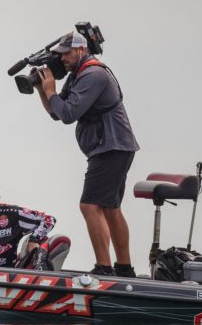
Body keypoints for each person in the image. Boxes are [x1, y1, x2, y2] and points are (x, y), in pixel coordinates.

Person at [34, 30, 139, 277]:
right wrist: (42, 88)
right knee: (111, 208)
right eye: (60, 55)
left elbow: (69, 114)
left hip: (111, 147)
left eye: (66, 53)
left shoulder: (93, 74)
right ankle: (124, 269)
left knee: (89, 206)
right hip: (113, 147)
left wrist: (51, 92)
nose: (62, 59)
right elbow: (56, 112)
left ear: (81, 50)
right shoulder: (78, 74)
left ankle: (104, 268)